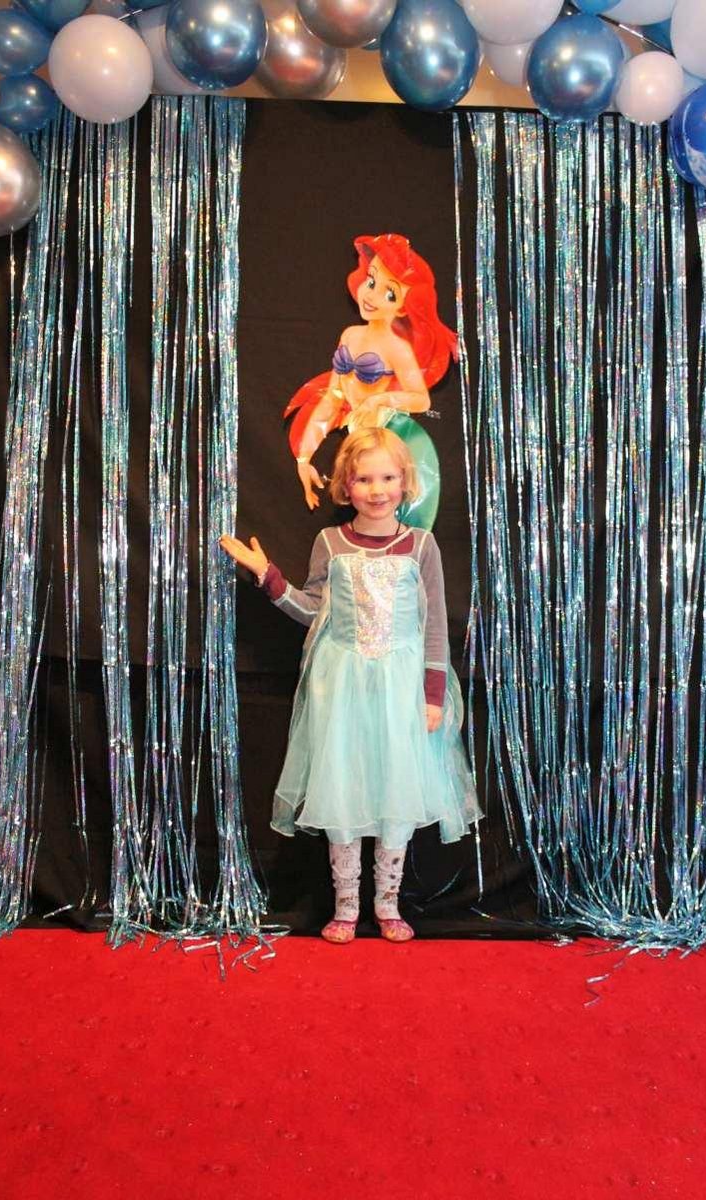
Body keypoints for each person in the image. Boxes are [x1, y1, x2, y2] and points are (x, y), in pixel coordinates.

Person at [219, 428, 480, 944]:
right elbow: (314, 610)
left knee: (397, 792)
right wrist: (268, 576)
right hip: (340, 688)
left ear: (405, 482)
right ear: (345, 486)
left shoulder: (421, 546)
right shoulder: (330, 543)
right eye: (364, 479)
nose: (376, 489)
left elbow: (433, 626)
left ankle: (387, 902)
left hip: (401, 690)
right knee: (341, 791)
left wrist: (431, 695)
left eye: (387, 478)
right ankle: (345, 904)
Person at [284, 233, 457, 530]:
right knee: (362, 515)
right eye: (372, 281)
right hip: (360, 438)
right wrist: (304, 457)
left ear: (403, 306)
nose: (372, 295)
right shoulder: (350, 335)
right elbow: (333, 397)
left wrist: (379, 399)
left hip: (393, 438)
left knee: (403, 526)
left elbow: (421, 399)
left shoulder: (397, 348)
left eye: (390, 294)